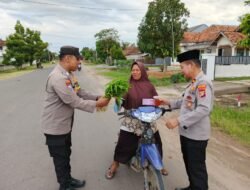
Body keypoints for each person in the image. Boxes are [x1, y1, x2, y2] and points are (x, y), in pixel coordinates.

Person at [41, 46, 110, 190]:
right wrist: (97, 104)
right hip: (55, 127)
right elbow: (73, 101)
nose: (79, 63)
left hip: (64, 125)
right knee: (61, 159)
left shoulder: (68, 75)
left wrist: (97, 96)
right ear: (67, 58)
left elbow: (80, 92)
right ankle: (64, 185)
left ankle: (67, 180)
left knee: (66, 154)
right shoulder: (58, 78)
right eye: (77, 59)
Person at [160, 50, 214, 190]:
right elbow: (185, 102)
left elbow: (203, 109)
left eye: (182, 67)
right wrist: (166, 101)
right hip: (188, 133)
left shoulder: (203, 84)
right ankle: (193, 186)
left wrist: (178, 120)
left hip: (196, 136)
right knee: (190, 165)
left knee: (197, 169)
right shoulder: (193, 83)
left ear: (190, 65)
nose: (181, 71)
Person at [105, 61, 168, 179]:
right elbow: (119, 104)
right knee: (123, 143)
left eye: (137, 70)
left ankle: (159, 163)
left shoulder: (149, 85)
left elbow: (155, 100)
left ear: (142, 71)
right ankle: (115, 164)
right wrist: (117, 101)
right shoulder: (126, 85)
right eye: (133, 70)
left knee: (156, 141)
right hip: (132, 118)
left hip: (148, 119)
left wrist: (159, 106)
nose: (134, 72)